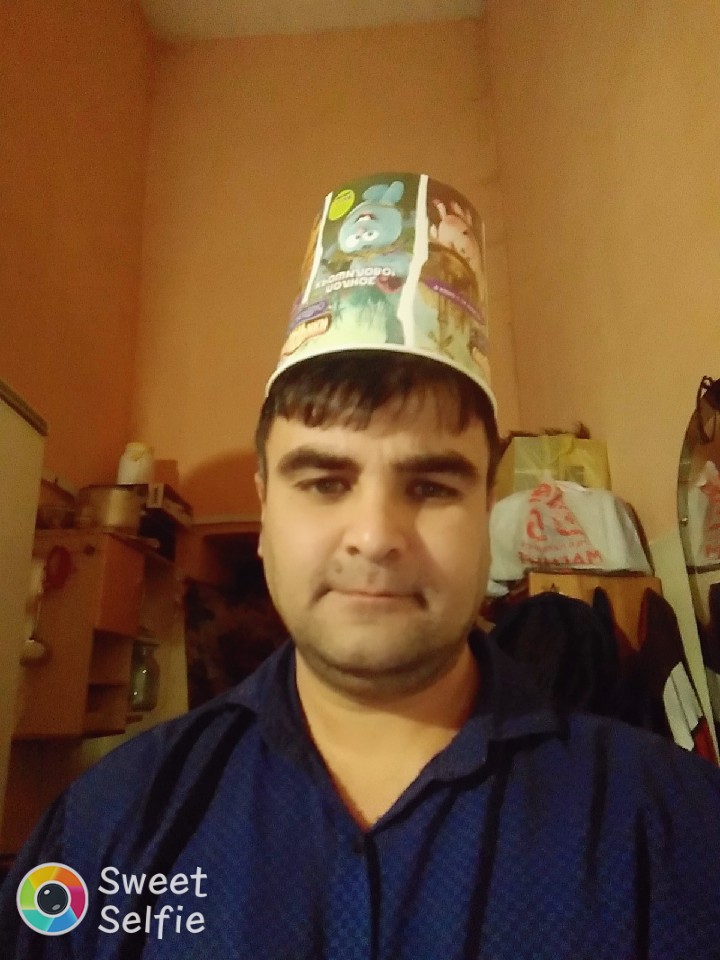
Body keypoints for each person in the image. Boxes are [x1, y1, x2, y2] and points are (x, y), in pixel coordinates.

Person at [2, 173, 720, 959]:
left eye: (432, 486)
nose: (375, 536)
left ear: (486, 512)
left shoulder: (674, 833)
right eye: (324, 482)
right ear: (265, 512)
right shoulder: (103, 834)